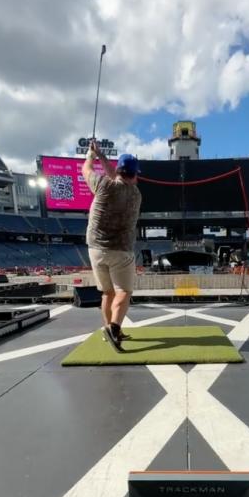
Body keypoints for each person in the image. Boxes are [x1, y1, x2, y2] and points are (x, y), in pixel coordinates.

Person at [83, 140, 142, 352]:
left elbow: (86, 169)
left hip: (96, 249)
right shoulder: (136, 195)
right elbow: (118, 177)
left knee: (107, 293)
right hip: (122, 251)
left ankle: (108, 329)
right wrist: (101, 155)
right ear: (135, 175)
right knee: (124, 292)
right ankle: (114, 328)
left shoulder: (102, 185)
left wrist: (93, 155)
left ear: (117, 171)